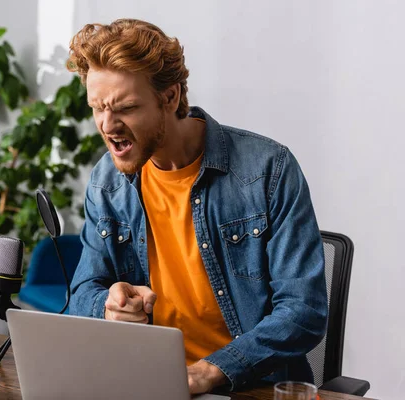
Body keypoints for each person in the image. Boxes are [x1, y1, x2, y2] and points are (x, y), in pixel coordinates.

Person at [66, 18, 328, 395]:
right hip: (143, 380)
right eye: (97, 108)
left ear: (170, 98)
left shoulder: (268, 170)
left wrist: (210, 371)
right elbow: (84, 290)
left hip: (249, 386)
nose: (108, 125)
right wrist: (108, 307)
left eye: (125, 107)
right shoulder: (106, 181)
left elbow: (303, 312)